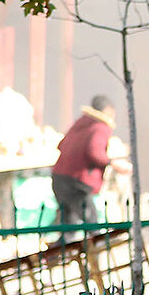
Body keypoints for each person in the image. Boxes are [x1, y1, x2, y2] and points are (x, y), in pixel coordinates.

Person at [50, 95, 115, 241]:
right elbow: (94, 152)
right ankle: (97, 248)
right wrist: (111, 162)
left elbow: (61, 145)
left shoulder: (80, 123)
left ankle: (59, 252)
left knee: (68, 227)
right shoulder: (100, 127)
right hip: (77, 181)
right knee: (92, 223)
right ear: (108, 111)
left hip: (59, 177)